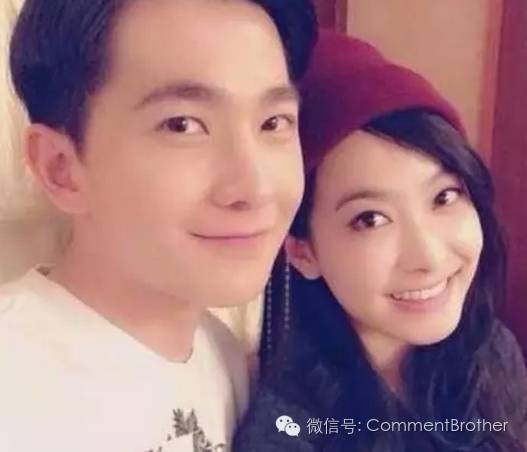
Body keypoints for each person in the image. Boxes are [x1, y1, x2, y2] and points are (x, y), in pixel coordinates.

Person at [0, 1, 317, 451]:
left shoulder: (222, 355)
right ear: (61, 169)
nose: (255, 187)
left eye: (273, 122)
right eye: (182, 125)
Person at [234, 30, 527, 451]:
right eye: (371, 219)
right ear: (301, 250)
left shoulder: (491, 353)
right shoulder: (290, 428)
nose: (428, 257)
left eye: (444, 197)